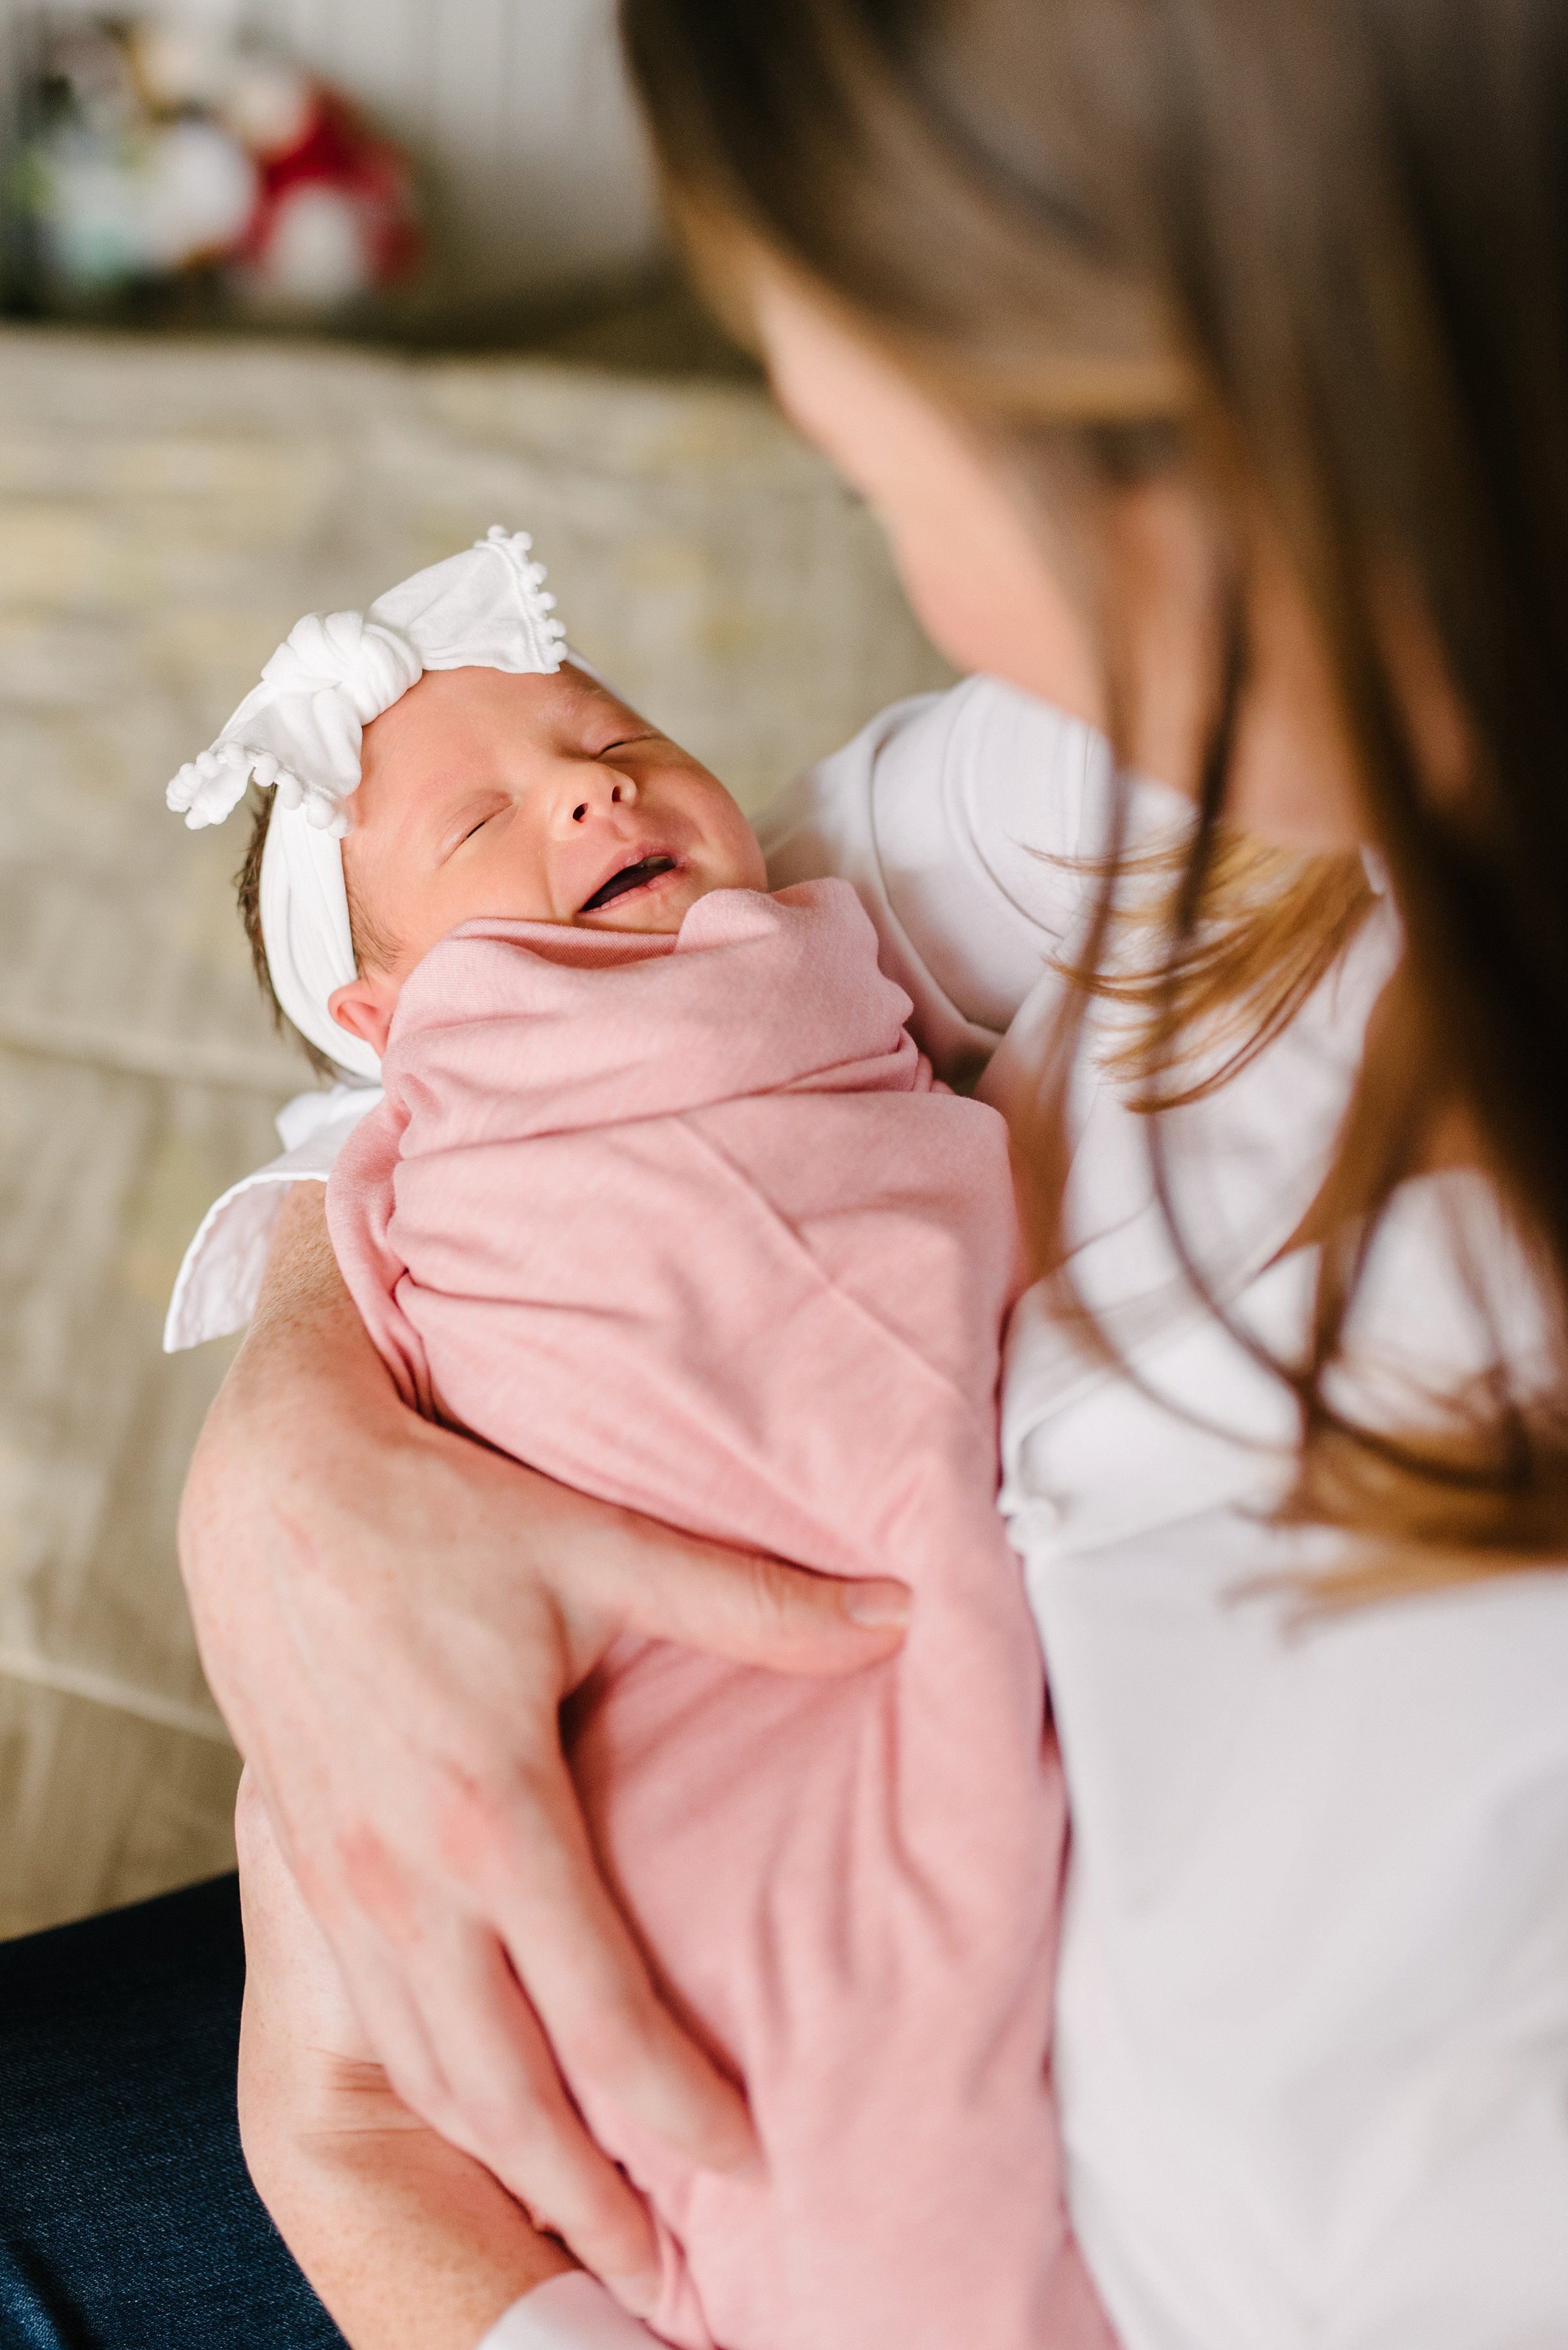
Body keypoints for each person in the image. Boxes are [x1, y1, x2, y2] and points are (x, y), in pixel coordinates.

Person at [5, 2, 1568, 2345]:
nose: (622, 795)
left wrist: (378, 2213)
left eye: (887, 464)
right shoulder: (1182, 761)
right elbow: (679, 974)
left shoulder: (1404, 2092)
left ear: (1187, 444)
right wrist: (304, 1466)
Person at [173, 531, 1103, 2349]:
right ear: (381, 1024)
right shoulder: (445, 1143)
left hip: (876, 1668)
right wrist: (290, 1420)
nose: (592, 781)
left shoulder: (826, 956)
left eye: (611, 734)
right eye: (477, 826)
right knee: (862, 2164)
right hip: (640, 1733)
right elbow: (371, 1160)